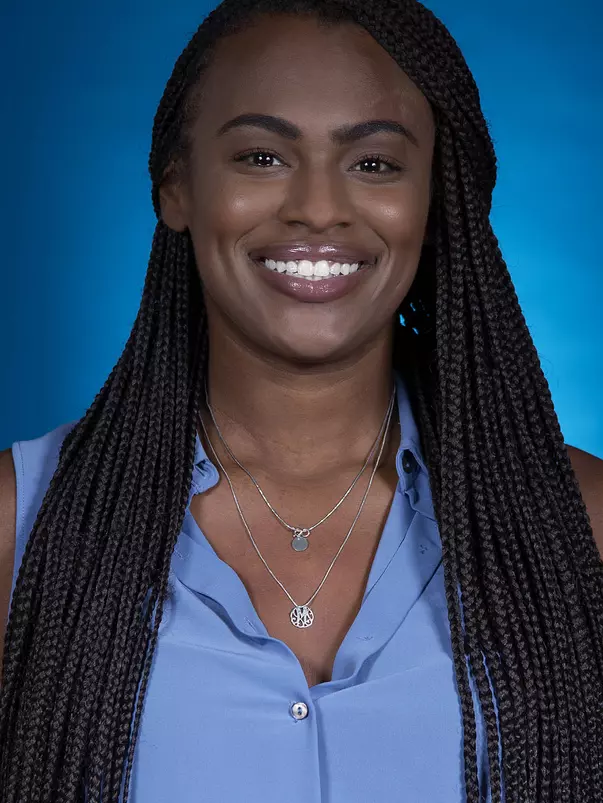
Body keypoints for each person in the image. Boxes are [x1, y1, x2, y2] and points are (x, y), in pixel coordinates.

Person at [1, 0, 602, 800]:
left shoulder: (582, 525)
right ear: (175, 186)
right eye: (260, 157)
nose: (318, 208)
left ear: (435, 199)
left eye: (375, 164)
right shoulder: (18, 530)